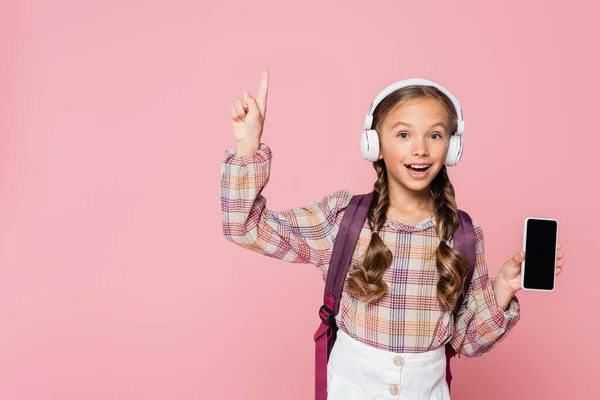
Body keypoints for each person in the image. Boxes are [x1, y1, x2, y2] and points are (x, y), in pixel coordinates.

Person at [220, 69, 565, 399]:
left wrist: (503, 288)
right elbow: (246, 227)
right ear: (374, 144)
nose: (420, 149)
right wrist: (249, 146)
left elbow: (468, 342)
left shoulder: (463, 234)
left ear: (452, 147)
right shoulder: (342, 219)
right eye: (403, 134)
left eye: (435, 135)